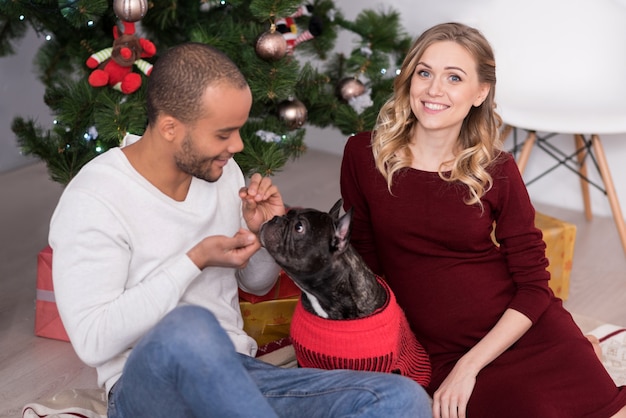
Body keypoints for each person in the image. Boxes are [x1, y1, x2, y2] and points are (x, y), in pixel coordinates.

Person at [49, 42, 432, 417]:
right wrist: (194, 261)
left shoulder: (220, 171)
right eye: (223, 134)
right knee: (189, 328)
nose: (237, 145)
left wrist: (262, 235)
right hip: (147, 389)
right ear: (169, 127)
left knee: (402, 398)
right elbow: (93, 341)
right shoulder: (94, 197)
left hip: (240, 376)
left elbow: (256, 285)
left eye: (239, 130)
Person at [340, 22, 626, 418]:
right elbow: (364, 260)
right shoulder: (362, 155)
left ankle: (580, 347)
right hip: (436, 345)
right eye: (424, 72)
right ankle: (587, 349)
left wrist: (469, 368)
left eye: (453, 78)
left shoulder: (497, 169)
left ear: (480, 92)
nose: (433, 89)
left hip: (520, 330)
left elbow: (534, 285)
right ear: (409, 79)